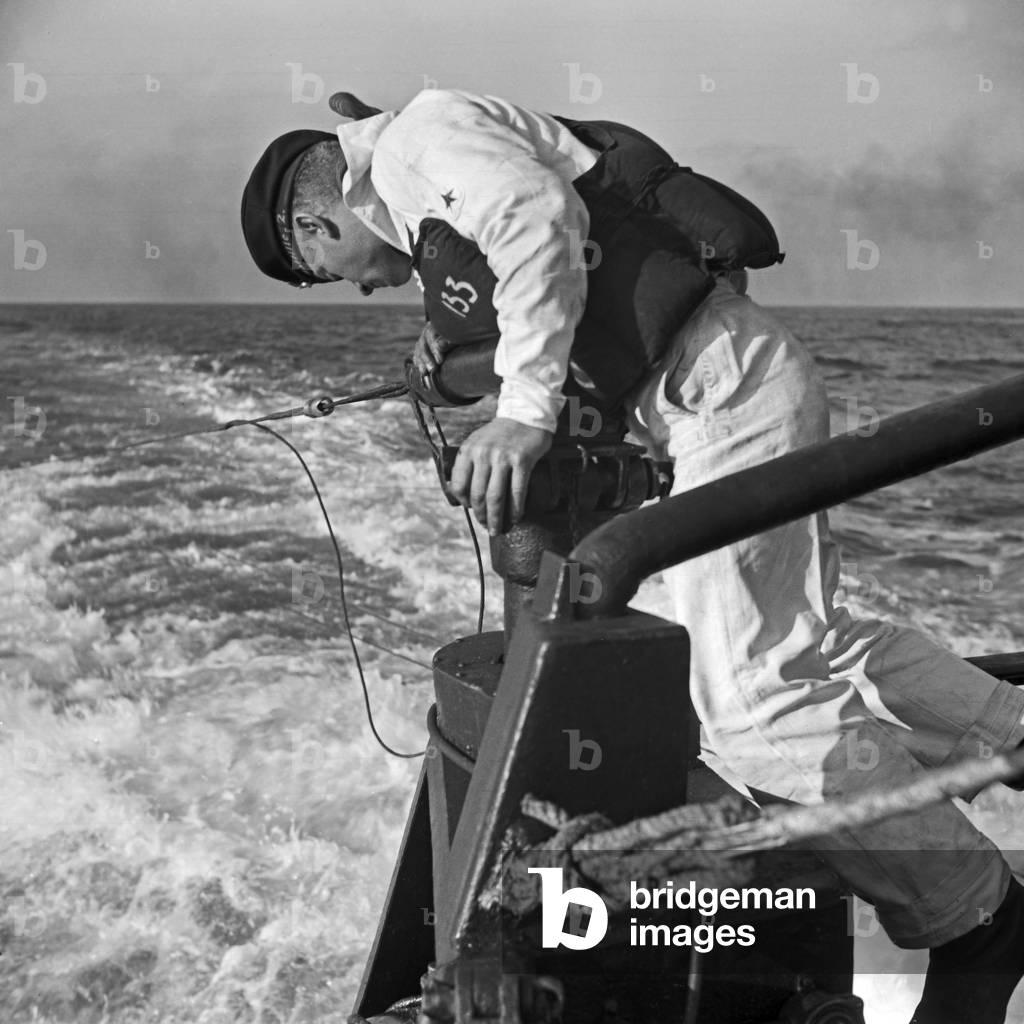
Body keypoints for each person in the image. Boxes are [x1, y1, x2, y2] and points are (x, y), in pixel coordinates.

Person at [241, 87, 1024, 1023]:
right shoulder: (429, 166)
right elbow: (525, 274)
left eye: (330, 271)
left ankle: (980, 916)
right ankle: (1009, 726)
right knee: (812, 642)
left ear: (316, 221)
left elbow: (540, 220)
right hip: (723, 389)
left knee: (746, 705)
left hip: (721, 397)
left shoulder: (418, 141)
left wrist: (521, 419)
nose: (364, 287)